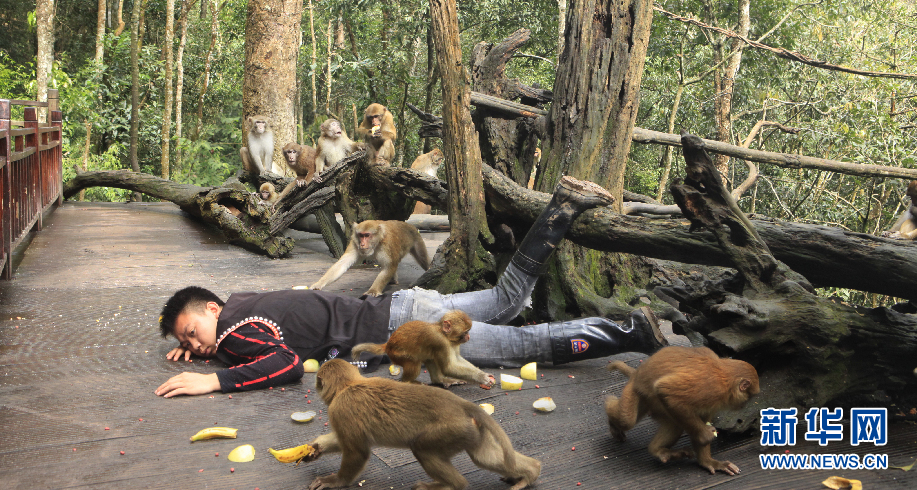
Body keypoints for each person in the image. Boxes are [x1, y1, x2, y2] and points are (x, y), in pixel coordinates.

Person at [155, 175, 668, 397]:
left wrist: (215, 374)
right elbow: (266, 342)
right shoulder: (244, 309)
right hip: (405, 304)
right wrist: (207, 352)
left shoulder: (235, 327)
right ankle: (561, 208)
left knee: (519, 342)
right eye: (186, 342)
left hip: (408, 328)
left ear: (210, 306)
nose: (193, 341)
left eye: (190, 329)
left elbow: (285, 365)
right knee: (508, 301)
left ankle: (630, 332)